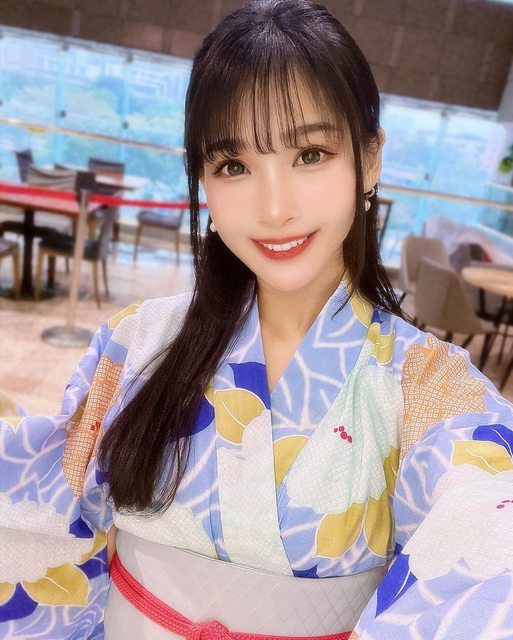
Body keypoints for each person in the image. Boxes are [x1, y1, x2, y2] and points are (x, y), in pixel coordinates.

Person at [1, 1, 513, 638]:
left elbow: (492, 526)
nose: (274, 208)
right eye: (234, 166)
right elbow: (49, 504)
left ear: (371, 157)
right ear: (203, 181)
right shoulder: (135, 340)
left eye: (311, 154)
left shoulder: (430, 389)